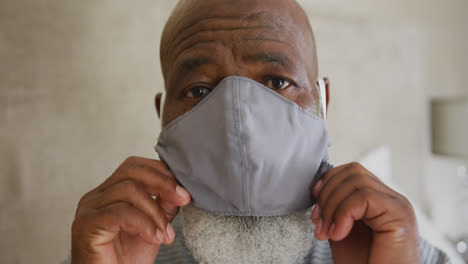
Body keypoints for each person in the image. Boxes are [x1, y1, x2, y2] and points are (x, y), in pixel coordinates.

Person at [70, 0, 452, 263]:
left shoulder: (394, 244)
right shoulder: (112, 248)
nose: (242, 127)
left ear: (323, 102)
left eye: (277, 82)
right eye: (199, 91)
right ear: (162, 117)